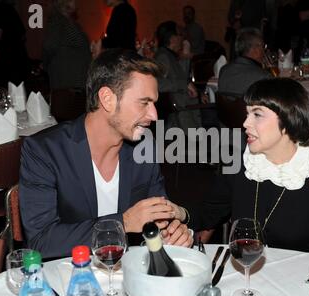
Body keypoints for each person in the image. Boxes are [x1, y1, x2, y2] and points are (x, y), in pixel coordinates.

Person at [19, 49, 193, 259]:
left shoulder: (144, 147)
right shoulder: (45, 151)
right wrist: (124, 222)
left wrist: (172, 233)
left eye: (154, 104)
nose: (154, 115)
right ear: (107, 99)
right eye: (144, 102)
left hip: (125, 274)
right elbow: (41, 241)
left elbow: (159, 217)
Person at [190, 78, 309, 255]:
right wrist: (177, 213)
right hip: (248, 270)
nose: (245, 123)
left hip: (299, 277)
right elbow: (209, 212)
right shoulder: (243, 166)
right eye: (247, 114)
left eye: (257, 114)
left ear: (288, 120)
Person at [154, 21, 202, 131]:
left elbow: (182, 78)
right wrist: (184, 84)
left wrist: (186, 57)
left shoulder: (171, 56)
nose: (183, 38)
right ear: (172, 39)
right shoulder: (163, 57)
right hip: (179, 119)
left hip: (185, 113)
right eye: (180, 35)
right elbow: (157, 83)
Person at [43, 0, 92, 90]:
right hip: (67, 82)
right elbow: (49, 46)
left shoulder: (68, 22)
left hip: (75, 81)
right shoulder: (57, 20)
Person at [218, 28, 272, 97]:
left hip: (225, 108)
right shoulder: (263, 76)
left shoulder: (224, 70)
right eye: (263, 46)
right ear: (255, 49)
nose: (264, 50)